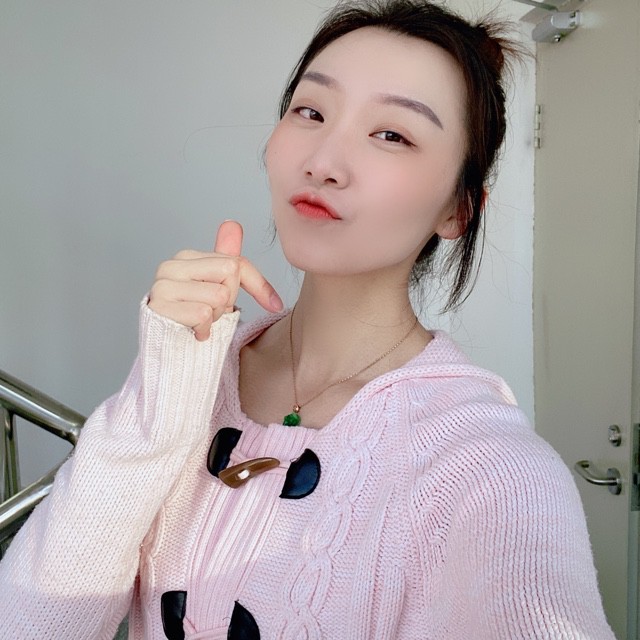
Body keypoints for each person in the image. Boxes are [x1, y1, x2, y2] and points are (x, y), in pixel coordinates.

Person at [0, 1, 615, 638]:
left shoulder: (491, 470)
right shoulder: (189, 376)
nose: (323, 162)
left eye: (392, 135)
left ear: (459, 209)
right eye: (311, 112)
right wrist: (159, 407)